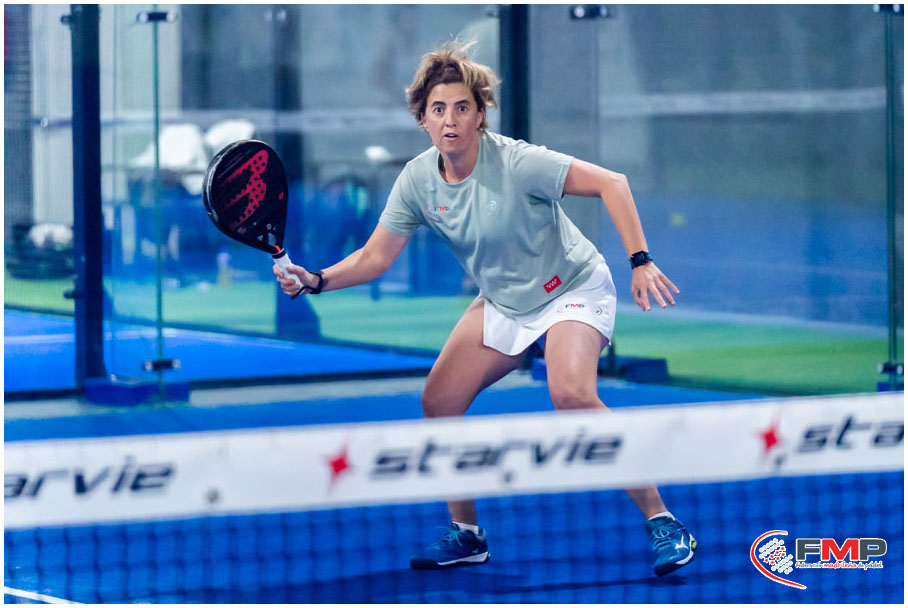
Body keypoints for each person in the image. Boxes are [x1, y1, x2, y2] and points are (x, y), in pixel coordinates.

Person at [275, 41, 695, 577]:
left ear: (480, 115)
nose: (450, 120)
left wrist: (640, 261)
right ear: (422, 119)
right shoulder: (418, 180)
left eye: (462, 108)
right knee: (438, 402)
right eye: (438, 109)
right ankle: (468, 536)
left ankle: (663, 521)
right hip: (503, 300)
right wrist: (315, 281)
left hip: (571, 287)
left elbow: (613, 183)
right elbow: (375, 257)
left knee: (571, 394)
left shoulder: (519, 162)